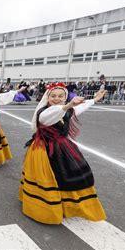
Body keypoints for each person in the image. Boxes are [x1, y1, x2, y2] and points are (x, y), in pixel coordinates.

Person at [18, 83, 107, 224]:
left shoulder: (68, 110)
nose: (57, 98)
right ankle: (47, 208)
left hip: (63, 146)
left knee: (69, 175)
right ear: (47, 97)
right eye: (53, 96)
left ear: (65, 96)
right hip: (44, 149)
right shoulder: (43, 111)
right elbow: (50, 117)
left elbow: (79, 108)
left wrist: (94, 100)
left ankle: (67, 205)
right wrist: (68, 105)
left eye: (61, 96)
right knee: (50, 178)